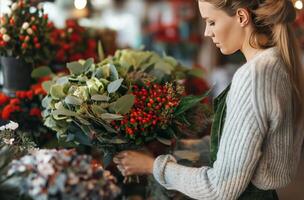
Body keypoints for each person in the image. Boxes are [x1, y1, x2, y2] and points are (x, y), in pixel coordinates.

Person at [114, 0, 304, 199]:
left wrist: (151, 166)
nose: (206, 32)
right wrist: (182, 147)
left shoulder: (254, 76)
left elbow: (220, 187)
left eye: (211, 22)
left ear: (242, 17)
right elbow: (246, 144)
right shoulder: (277, 64)